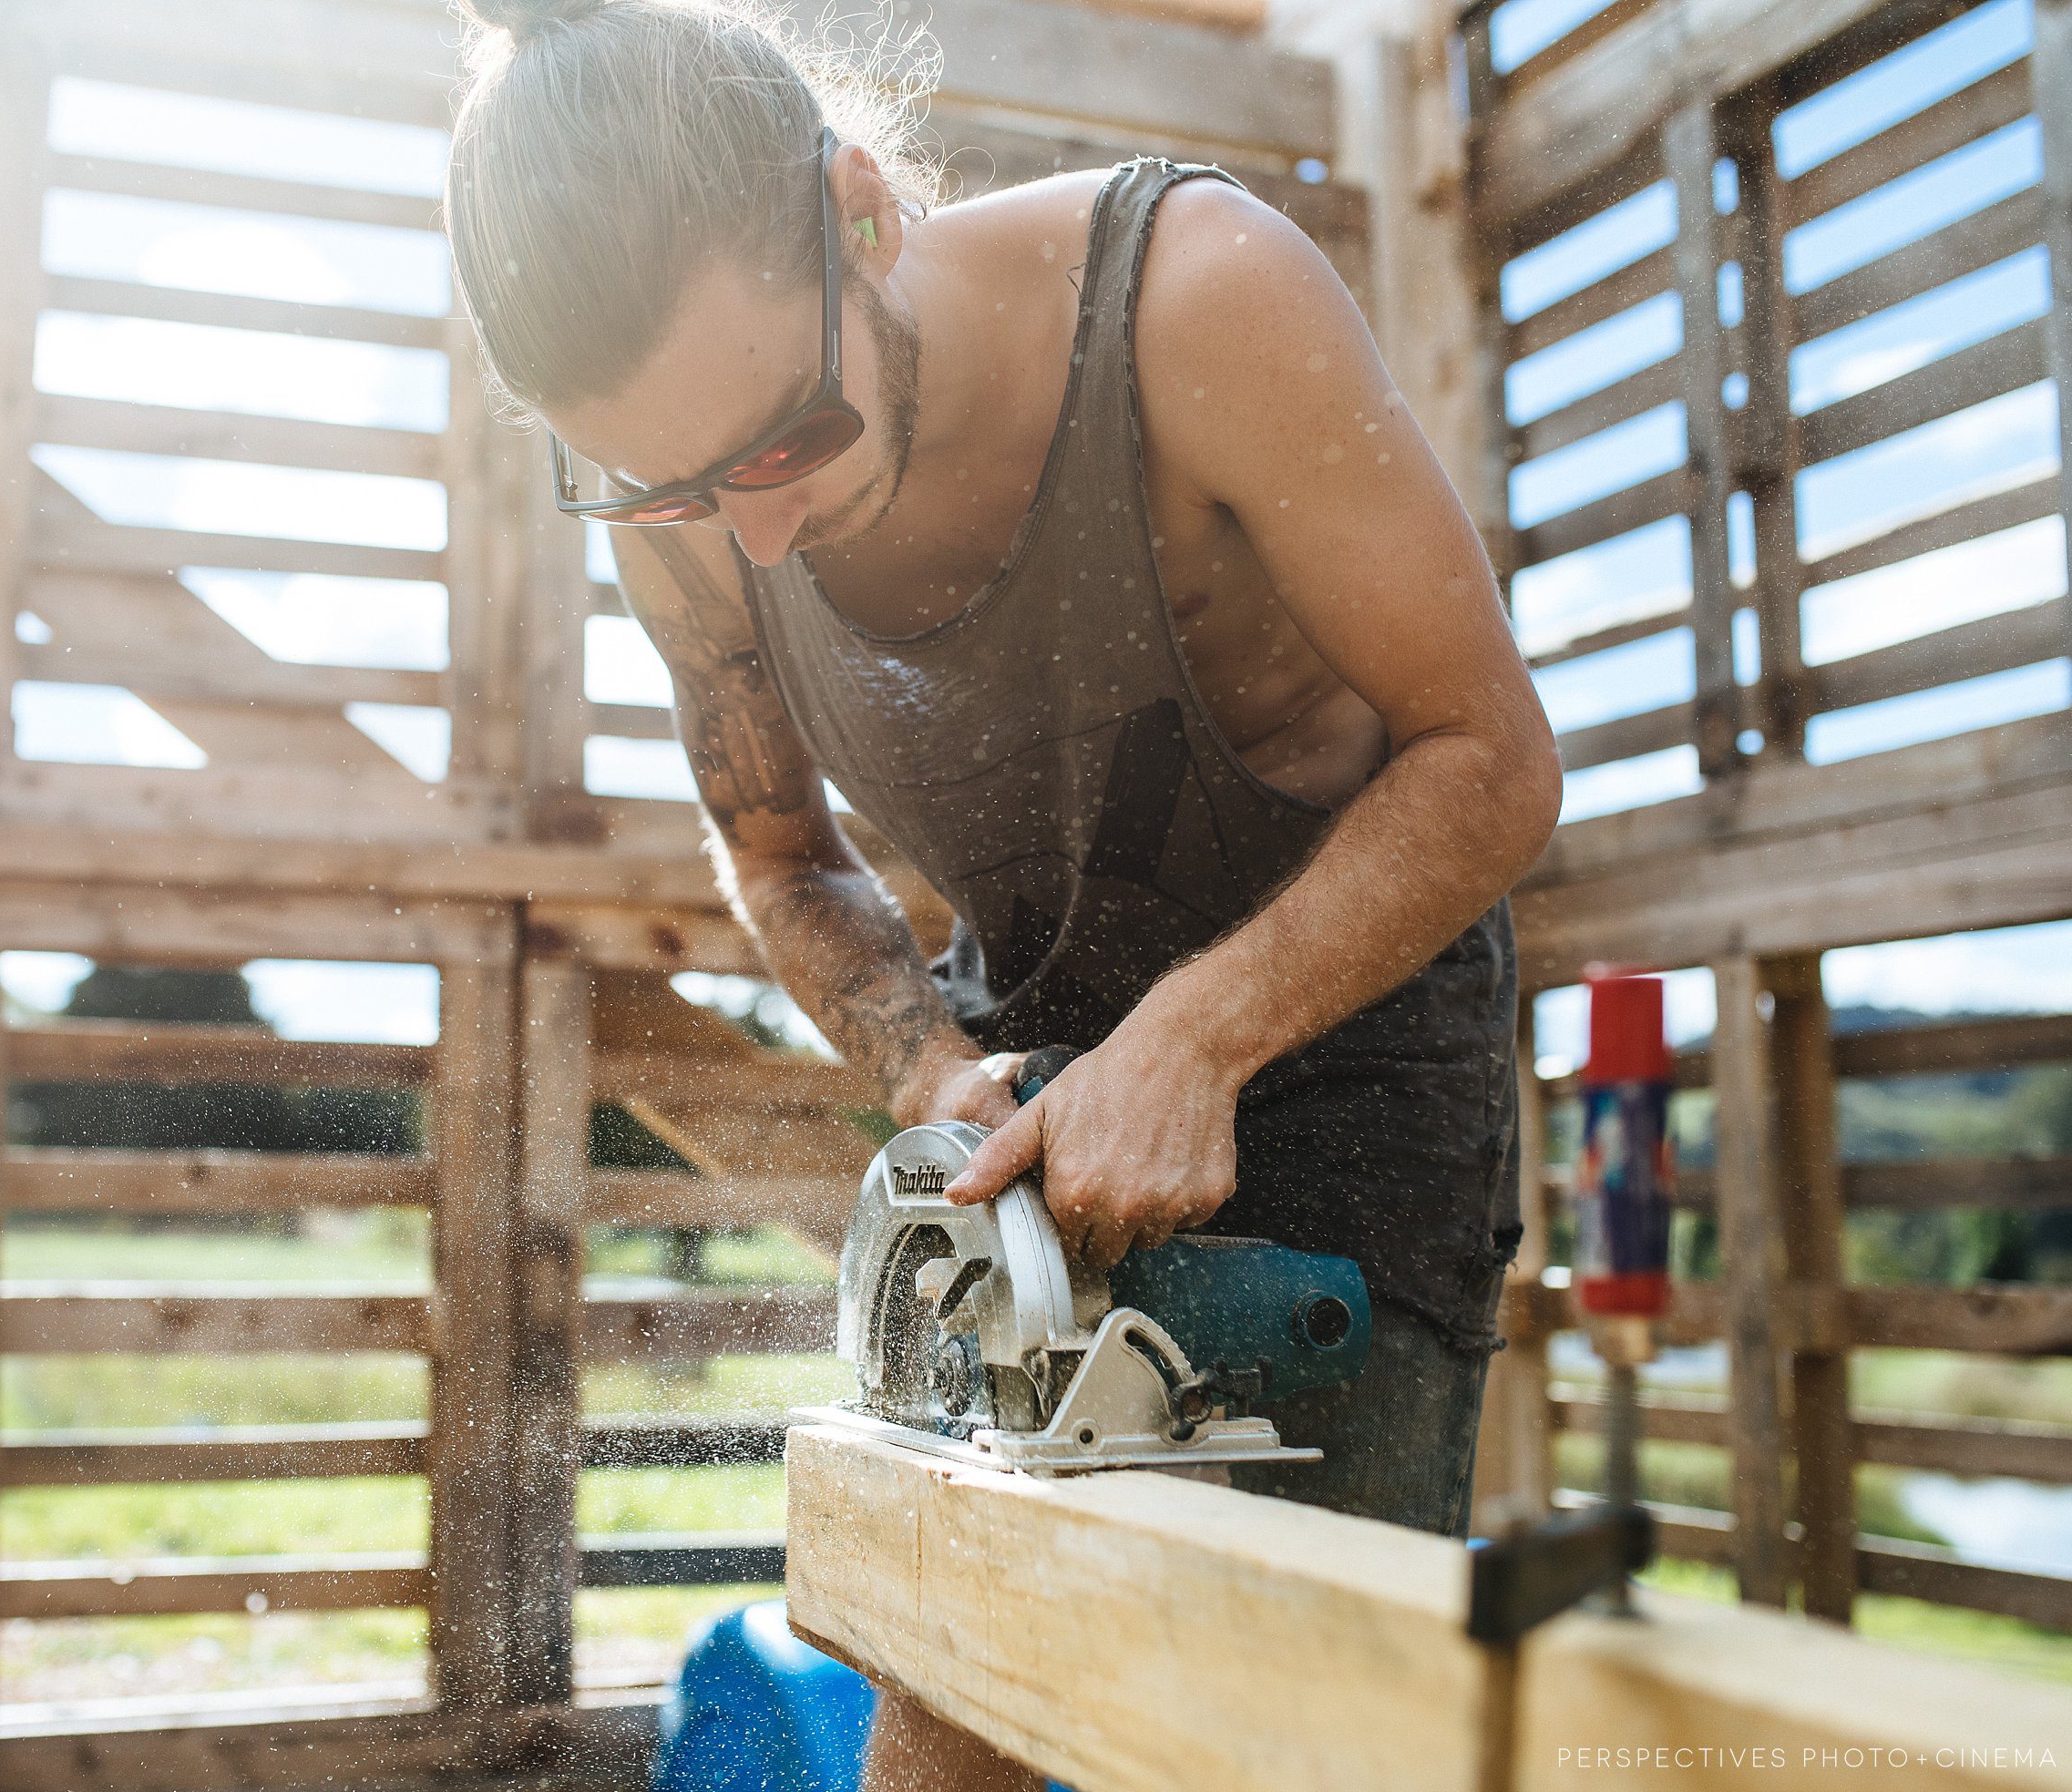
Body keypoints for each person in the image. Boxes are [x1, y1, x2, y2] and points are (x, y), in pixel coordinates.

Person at [444, 1, 1564, 1784]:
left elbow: (1489, 760)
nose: (742, 538)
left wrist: (1195, 1040)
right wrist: (919, 1064)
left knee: (1265, 1738)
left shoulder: (1194, 300)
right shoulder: (690, 487)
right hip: (1028, 1120)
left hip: (1349, 1086)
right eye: (653, 488)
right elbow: (778, 848)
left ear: (861, 215)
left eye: (778, 443)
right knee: (939, 1690)